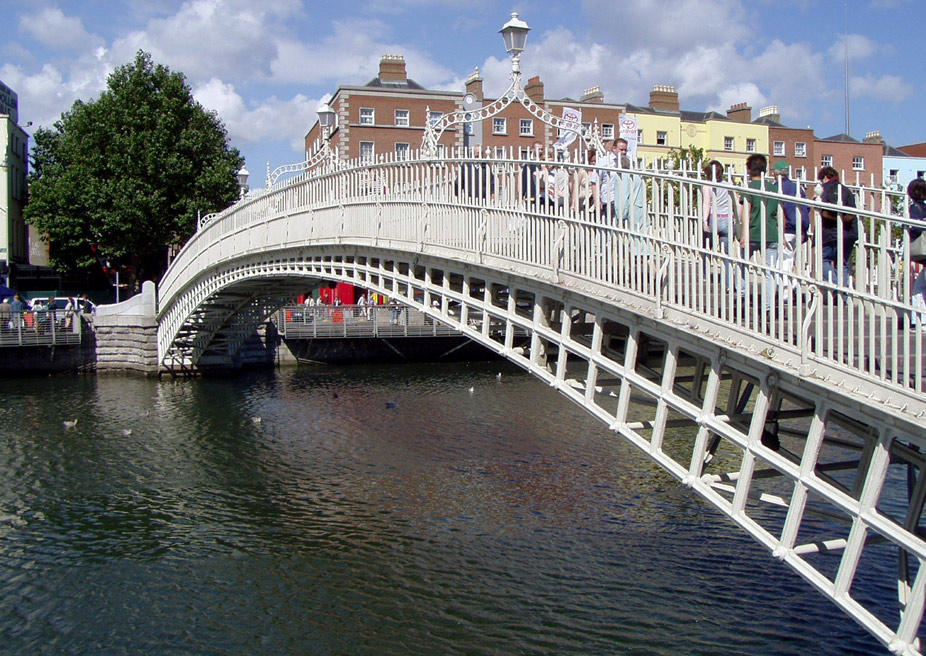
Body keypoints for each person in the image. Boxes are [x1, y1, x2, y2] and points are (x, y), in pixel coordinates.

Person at [739, 153, 780, 313]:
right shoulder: (774, 189)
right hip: (771, 233)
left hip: (753, 232)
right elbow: (779, 213)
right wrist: (781, 235)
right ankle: (769, 306)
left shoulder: (748, 187)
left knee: (742, 265)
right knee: (770, 272)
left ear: (749, 170)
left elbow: (746, 211)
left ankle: (743, 294)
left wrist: (743, 234)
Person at [700, 160, 740, 290]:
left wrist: (704, 220)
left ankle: (705, 274)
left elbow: (707, 203)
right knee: (727, 254)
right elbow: (736, 203)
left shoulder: (707, 186)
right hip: (727, 219)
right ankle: (729, 284)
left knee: (707, 247)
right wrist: (738, 220)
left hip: (713, 218)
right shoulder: (728, 185)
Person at [816, 166, 858, 288]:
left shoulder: (824, 189)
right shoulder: (847, 190)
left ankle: (835, 286)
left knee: (824, 260)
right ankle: (843, 294)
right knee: (843, 264)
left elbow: (823, 211)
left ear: (825, 177)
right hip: (849, 233)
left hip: (830, 233)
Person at [772, 161, 810, 292]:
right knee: (794, 260)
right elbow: (807, 208)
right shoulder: (798, 188)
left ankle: (786, 293)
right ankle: (794, 286)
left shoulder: (776, 187)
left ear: (776, 173)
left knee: (784, 261)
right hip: (800, 229)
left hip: (786, 229)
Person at [906, 178, 926, 325]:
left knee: (921, 287)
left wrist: (909, 233)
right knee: (919, 287)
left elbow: (916, 227)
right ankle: (918, 320)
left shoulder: (915, 208)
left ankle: (920, 320)